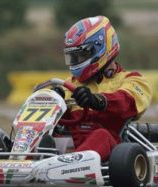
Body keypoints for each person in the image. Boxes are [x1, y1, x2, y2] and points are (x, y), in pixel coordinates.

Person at [54, 16, 152, 161]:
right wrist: (51, 101)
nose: (76, 61)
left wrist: (98, 100)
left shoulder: (132, 80)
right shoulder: (68, 85)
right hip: (69, 147)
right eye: (73, 57)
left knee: (101, 135)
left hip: (113, 152)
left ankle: (70, 165)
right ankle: (19, 159)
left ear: (101, 49)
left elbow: (126, 103)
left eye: (81, 55)